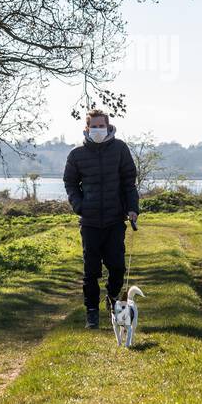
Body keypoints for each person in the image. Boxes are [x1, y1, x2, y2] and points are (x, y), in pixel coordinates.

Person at [62, 109, 140, 329]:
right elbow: (70, 183)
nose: (98, 130)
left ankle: (112, 296)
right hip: (90, 222)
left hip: (115, 220)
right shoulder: (76, 155)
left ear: (108, 126)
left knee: (117, 267)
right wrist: (79, 206)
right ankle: (92, 313)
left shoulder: (120, 149)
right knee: (91, 271)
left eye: (101, 126)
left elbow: (128, 183)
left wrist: (132, 208)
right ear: (87, 129)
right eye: (93, 127)